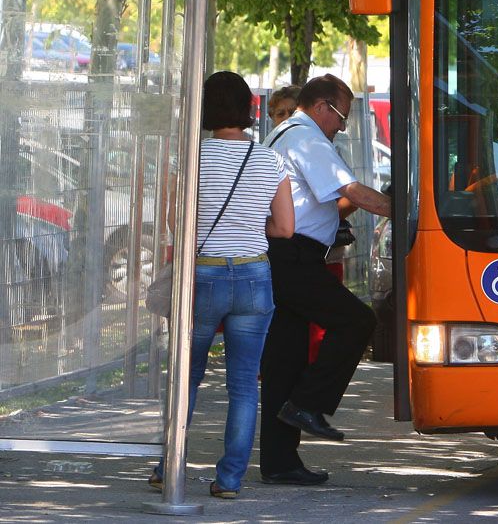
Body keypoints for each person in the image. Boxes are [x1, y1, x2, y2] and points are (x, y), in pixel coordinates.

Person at [149, 71, 294, 499]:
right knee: (245, 385)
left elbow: (175, 223)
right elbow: (286, 228)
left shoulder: (191, 159)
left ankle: (167, 466)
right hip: (253, 276)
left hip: (204, 276)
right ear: (250, 109)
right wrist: (250, 225)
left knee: (187, 378)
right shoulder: (270, 160)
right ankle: (229, 480)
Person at [259, 74, 392, 486]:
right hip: (293, 257)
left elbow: (335, 204)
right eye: (341, 116)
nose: (342, 127)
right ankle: (308, 404)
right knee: (357, 321)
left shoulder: (282, 134)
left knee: (286, 360)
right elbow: (354, 192)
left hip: (287, 255)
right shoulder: (306, 138)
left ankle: (280, 462)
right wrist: (410, 214)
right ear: (321, 108)